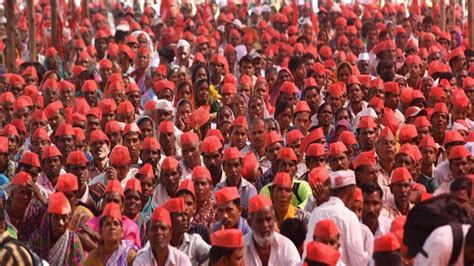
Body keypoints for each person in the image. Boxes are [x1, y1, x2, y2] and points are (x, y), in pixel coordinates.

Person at [306, 170, 369, 266]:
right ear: (351, 191)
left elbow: (307, 252)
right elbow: (358, 261)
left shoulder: (316, 212)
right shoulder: (349, 216)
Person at [29, 192, 85, 265]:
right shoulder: (36, 238)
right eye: (56, 217)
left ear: (69, 219)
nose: (60, 222)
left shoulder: (73, 241)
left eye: (65, 218)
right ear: (49, 217)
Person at [243, 194, 301, 265]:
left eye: (268, 219)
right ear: (250, 223)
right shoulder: (241, 249)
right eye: (260, 220)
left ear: (274, 219)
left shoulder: (286, 247)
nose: (265, 225)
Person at [161, 197, 210, 264]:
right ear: (169, 219)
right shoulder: (159, 243)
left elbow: (213, 254)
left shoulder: (194, 240)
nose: (185, 218)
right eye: (180, 215)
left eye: (186, 215)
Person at [214, 147, 257, 215]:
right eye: (229, 166)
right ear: (223, 167)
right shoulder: (218, 189)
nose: (233, 170)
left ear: (242, 166)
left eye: (236, 165)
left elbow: (252, 215)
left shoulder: (250, 189)